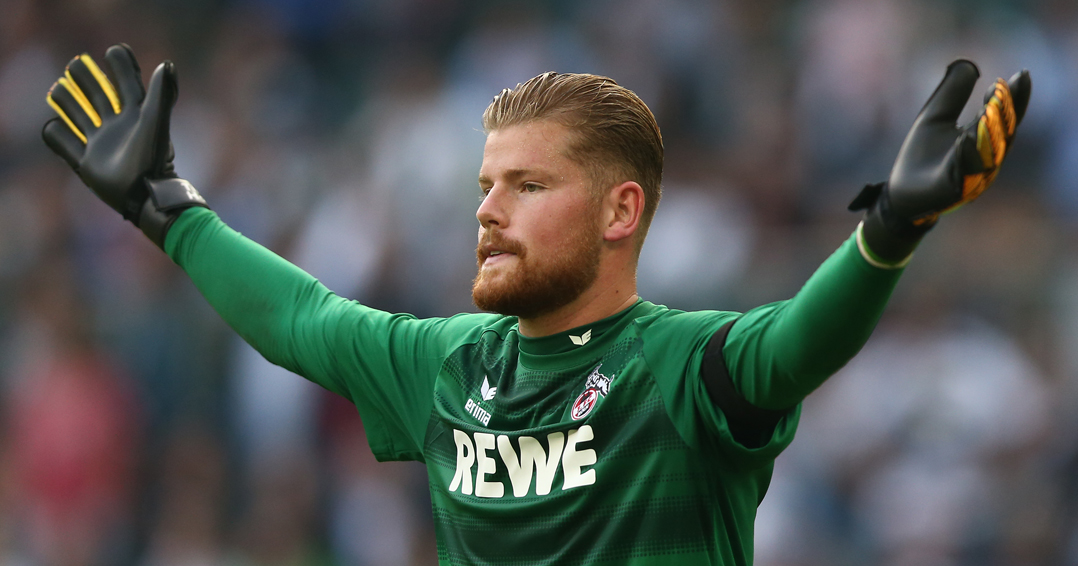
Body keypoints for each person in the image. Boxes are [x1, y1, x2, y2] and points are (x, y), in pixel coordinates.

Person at [42, 44, 1030, 565]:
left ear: (618, 211)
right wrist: (165, 207)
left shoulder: (678, 367)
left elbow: (797, 344)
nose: (488, 211)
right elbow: (300, 319)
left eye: (527, 186)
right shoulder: (447, 364)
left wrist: (891, 226)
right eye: (484, 186)